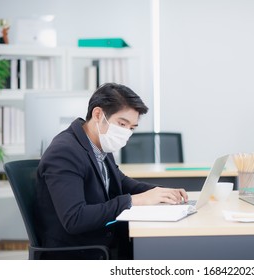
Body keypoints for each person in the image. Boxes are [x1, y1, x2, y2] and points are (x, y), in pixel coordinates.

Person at [35, 83, 188, 259]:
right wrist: (132, 201)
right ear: (98, 114)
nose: (126, 133)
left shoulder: (98, 144)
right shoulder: (65, 151)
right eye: (122, 124)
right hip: (80, 253)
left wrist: (159, 192)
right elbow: (74, 218)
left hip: (105, 242)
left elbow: (120, 182)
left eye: (131, 128)